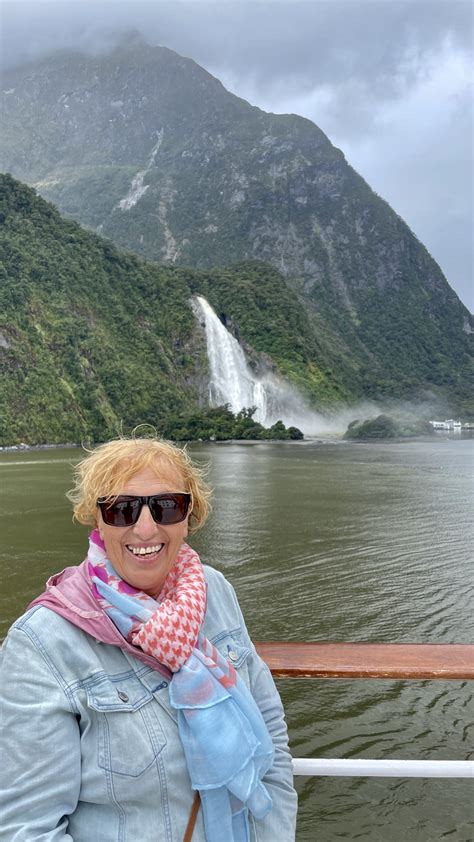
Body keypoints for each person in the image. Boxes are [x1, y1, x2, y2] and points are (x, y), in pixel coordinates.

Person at [0, 436, 297, 841]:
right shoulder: (43, 644)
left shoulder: (215, 592)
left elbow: (271, 734)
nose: (145, 528)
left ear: (188, 515)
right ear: (97, 520)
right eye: (121, 510)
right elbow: (26, 828)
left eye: (166, 506)